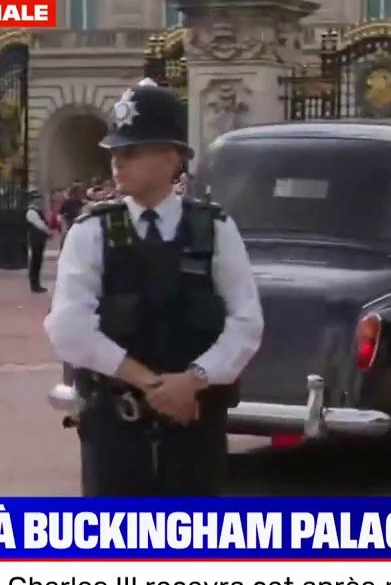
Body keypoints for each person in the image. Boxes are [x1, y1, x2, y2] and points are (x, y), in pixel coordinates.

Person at [43, 78, 263, 497]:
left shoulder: (214, 229)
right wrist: (153, 385)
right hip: (115, 424)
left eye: (131, 152)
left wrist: (193, 382)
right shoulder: (92, 231)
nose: (117, 163)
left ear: (170, 157)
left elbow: (246, 323)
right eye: (114, 153)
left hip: (196, 421)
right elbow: (68, 328)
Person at [25, 190, 51, 294]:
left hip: (39, 238)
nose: (38, 201)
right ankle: (34, 284)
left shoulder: (37, 210)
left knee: (38, 261)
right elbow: (39, 224)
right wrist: (47, 231)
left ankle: (37, 283)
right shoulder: (31, 211)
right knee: (35, 261)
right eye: (36, 199)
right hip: (35, 238)